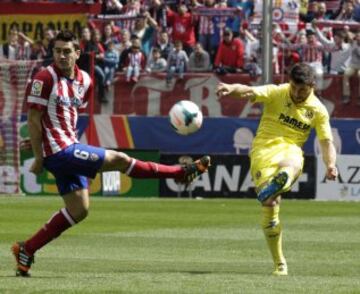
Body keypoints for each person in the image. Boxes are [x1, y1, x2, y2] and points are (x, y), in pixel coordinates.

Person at [12, 30, 211, 277]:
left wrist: (39, 141)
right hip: (60, 152)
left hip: (66, 144)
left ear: (77, 53)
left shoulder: (85, 80)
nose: (61, 56)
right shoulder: (44, 78)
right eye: (57, 51)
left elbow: (64, 117)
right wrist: (40, 155)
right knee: (120, 159)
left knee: (79, 210)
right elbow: (33, 118)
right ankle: (180, 173)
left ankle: (27, 249)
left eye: (66, 51)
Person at [216, 63, 338, 276]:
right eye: (294, 88)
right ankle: (279, 262)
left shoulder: (318, 110)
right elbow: (248, 91)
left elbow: (326, 142)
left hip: (290, 149)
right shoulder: (278, 91)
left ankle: (284, 177)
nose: (297, 93)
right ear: (289, 83)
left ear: (312, 86)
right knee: (270, 204)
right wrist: (229, 87)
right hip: (263, 150)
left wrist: (330, 164)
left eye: (303, 90)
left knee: (291, 163)